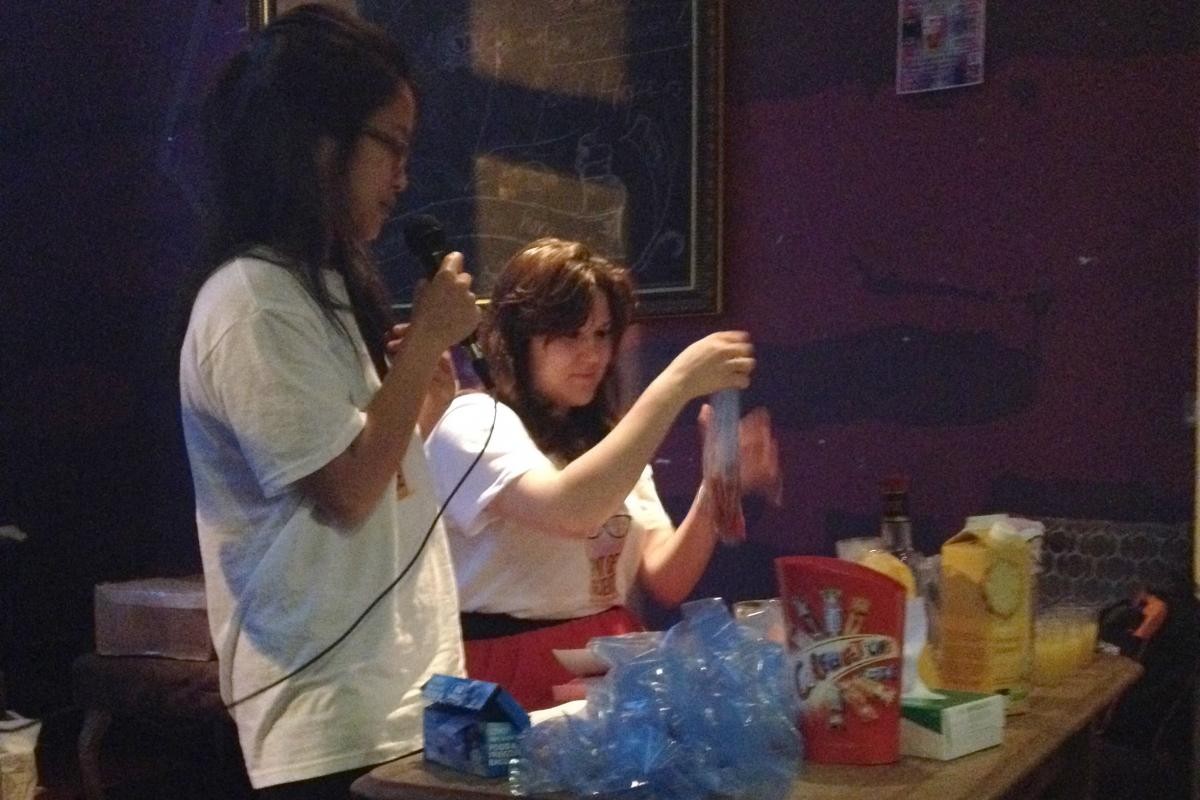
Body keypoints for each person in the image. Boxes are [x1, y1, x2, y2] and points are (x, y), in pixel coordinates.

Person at [178, 6, 479, 797]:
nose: (403, 178)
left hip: (400, 703)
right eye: (393, 146)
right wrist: (420, 349)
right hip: (330, 725)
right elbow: (344, 492)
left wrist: (418, 406)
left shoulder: (319, 289)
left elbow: (358, 475)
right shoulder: (251, 300)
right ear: (318, 141)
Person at [424, 237, 780, 711]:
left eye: (602, 334)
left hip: (607, 656)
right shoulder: (472, 420)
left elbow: (666, 577)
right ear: (518, 339)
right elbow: (570, 510)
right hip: (507, 668)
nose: (592, 355)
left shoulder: (607, 443)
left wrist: (718, 482)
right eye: (570, 335)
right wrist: (676, 384)